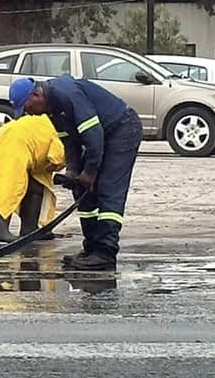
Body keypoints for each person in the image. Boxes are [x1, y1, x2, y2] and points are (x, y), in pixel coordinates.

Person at [8, 73, 142, 270]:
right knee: (82, 191)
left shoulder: (66, 93)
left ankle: (105, 252)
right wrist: (73, 171)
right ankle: (92, 249)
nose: (31, 114)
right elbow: (69, 141)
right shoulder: (51, 110)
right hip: (100, 137)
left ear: (36, 95)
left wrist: (89, 171)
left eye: (28, 109)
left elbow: (93, 134)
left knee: (107, 190)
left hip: (121, 129)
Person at [0, 110, 64, 243]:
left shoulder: (52, 126)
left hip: (25, 142)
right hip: (16, 141)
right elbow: (57, 158)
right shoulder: (60, 135)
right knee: (9, 185)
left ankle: (29, 229)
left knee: (37, 186)